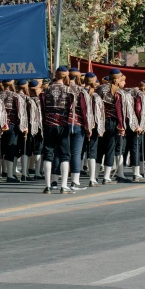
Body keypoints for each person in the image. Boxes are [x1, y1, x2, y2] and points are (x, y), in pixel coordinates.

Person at [41, 66, 76, 194]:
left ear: (56, 74)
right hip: (63, 125)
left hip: (49, 124)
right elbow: (72, 109)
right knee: (65, 155)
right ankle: (64, 185)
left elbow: (42, 107)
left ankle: (48, 186)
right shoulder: (68, 90)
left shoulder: (46, 89)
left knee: (48, 154)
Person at [96, 68, 125, 184]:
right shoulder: (119, 91)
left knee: (99, 149)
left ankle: (95, 176)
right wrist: (121, 125)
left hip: (100, 121)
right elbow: (119, 111)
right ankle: (106, 177)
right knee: (110, 149)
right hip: (112, 122)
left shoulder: (99, 89)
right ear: (117, 79)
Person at [0, 80, 28, 182]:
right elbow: (21, 113)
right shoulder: (16, 96)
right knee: (11, 150)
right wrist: (23, 127)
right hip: (12, 126)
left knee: (0, 150)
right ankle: (10, 174)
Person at [84, 73, 105, 187]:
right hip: (93, 126)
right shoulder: (96, 96)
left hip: (78, 125)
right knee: (92, 151)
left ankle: (73, 179)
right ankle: (92, 178)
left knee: (78, 152)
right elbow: (99, 114)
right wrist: (100, 128)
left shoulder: (79, 92)